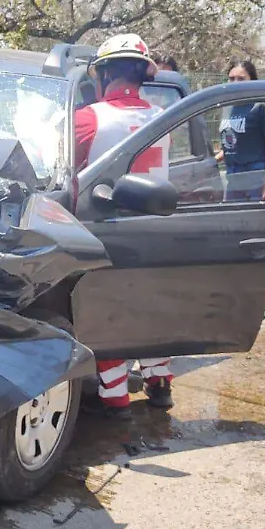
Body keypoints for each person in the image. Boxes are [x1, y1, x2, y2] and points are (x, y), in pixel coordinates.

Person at [74, 33, 174, 416]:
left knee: (108, 313)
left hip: (109, 230)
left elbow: (69, 173)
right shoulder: (163, 119)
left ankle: (115, 398)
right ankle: (159, 382)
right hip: (156, 230)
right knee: (149, 309)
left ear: (101, 75)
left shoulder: (88, 119)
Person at [216, 60, 265, 200]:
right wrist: (211, 162)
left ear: (252, 81)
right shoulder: (227, 108)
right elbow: (231, 145)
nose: (235, 83)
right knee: (232, 220)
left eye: (241, 79)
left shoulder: (261, 107)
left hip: (255, 178)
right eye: (231, 78)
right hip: (233, 179)